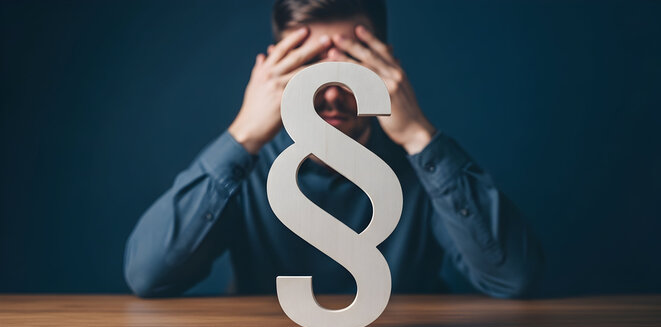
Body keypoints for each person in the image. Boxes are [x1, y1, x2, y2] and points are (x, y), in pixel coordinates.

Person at [124, 0, 543, 299]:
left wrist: (419, 135)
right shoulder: (248, 166)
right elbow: (148, 276)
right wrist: (242, 135)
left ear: (384, 67)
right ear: (277, 69)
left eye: (349, 65)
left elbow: (513, 279)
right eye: (310, 66)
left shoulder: (423, 169)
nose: (330, 93)